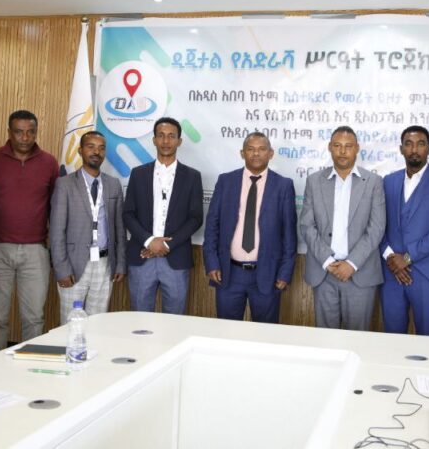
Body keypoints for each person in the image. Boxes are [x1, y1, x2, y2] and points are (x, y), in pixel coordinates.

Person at [0, 110, 59, 352]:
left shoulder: (49, 163)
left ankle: (29, 365)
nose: (25, 138)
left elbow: (55, 206)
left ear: (36, 132)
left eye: (30, 132)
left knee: (34, 317)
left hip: (35, 250)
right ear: (9, 132)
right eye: (19, 132)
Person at [203, 132, 297, 323]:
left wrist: (285, 272)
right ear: (242, 153)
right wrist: (212, 262)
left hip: (268, 273)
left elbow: (289, 233)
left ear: (271, 153)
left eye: (262, 149)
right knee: (226, 331)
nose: (256, 154)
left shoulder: (283, 185)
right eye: (250, 149)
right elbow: (212, 226)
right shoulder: (226, 181)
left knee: (265, 333)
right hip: (228, 272)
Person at [301, 126, 385, 331]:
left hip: (359, 272)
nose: (342, 151)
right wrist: (328, 261)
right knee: (325, 337)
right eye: (337, 145)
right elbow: (306, 225)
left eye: (348, 146)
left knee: (357, 338)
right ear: (330, 147)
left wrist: (351, 264)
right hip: (324, 272)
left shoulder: (373, 182)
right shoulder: (314, 181)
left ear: (357, 148)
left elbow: (376, 228)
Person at [379, 126, 429, 336]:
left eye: (420, 144)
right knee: (392, 338)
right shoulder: (388, 181)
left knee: (427, 338)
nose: (414, 149)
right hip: (391, 272)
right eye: (409, 144)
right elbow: (378, 223)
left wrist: (407, 258)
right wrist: (390, 257)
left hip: (425, 274)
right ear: (401, 149)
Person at [123, 117, 203, 314]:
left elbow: (195, 218)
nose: (166, 141)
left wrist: (165, 245)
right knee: (140, 319)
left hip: (176, 258)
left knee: (174, 321)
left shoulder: (192, 176)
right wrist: (150, 241)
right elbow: (128, 214)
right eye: (161, 136)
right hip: (142, 256)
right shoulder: (138, 173)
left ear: (179, 141)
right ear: (154, 140)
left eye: (171, 136)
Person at [50, 131, 127, 323]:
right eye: (91, 147)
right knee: (70, 324)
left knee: (98, 323)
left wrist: (120, 263)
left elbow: (119, 228)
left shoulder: (113, 184)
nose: (96, 152)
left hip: (104, 264)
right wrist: (61, 268)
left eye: (101, 148)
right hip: (73, 264)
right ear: (80, 151)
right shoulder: (64, 184)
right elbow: (57, 230)